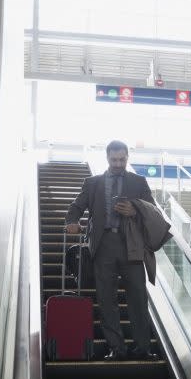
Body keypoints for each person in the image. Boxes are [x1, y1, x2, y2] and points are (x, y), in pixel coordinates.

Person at [65, 140, 158, 361]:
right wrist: (72, 221)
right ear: (107, 158)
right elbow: (77, 206)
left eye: (122, 159)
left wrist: (134, 210)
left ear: (127, 158)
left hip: (131, 247)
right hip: (103, 245)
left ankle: (143, 348)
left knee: (137, 297)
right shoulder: (93, 183)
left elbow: (153, 211)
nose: (118, 164)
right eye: (114, 159)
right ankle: (116, 348)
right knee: (106, 300)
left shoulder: (138, 182)